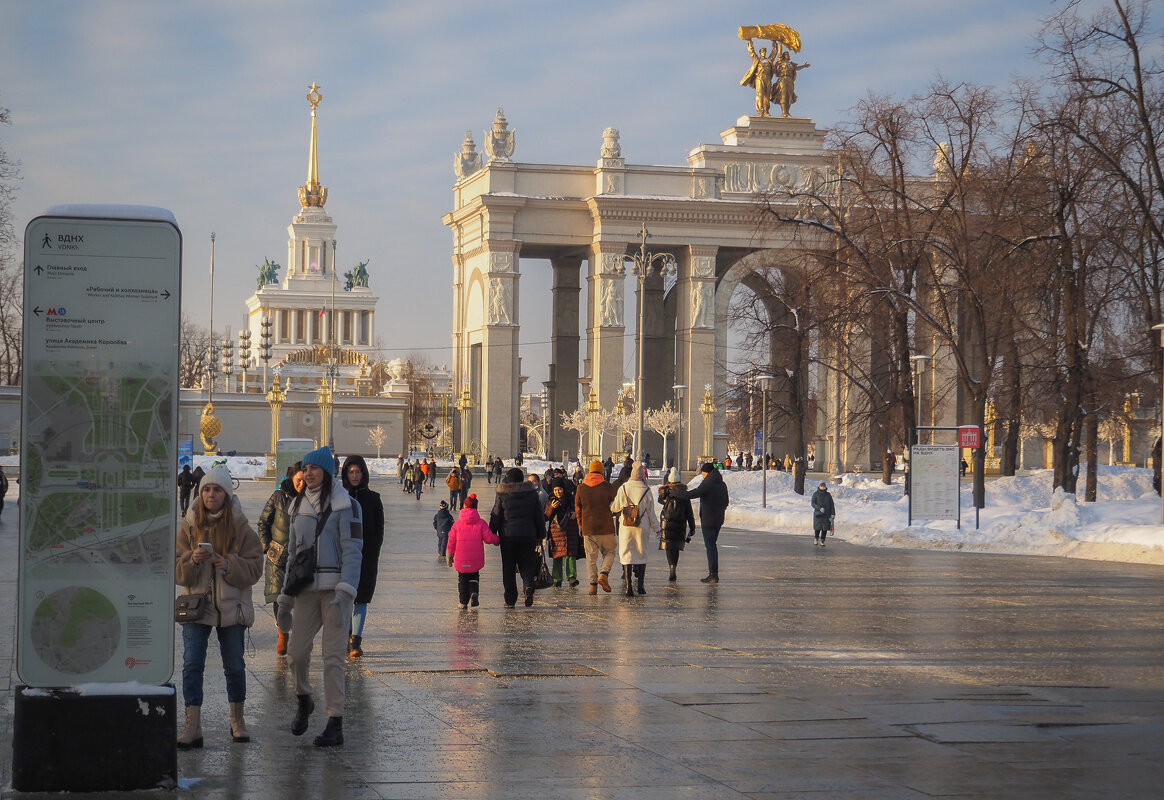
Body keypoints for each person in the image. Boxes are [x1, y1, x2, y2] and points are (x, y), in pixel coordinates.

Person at [276, 446, 363, 748]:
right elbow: (292, 554)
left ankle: (334, 721)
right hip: (306, 590)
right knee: (296, 654)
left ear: (327, 472)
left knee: (333, 658)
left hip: (335, 591)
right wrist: (285, 597)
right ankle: (304, 699)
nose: (308, 473)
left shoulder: (347, 505)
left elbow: (353, 551)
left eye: (314, 469)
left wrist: (347, 589)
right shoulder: (297, 506)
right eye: (306, 469)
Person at [175, 465, 263, 749]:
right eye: (207, 490)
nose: (211, 495)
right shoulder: (188, 525)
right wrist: (192, 560)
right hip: (196, 606)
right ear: (200, 494)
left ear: (226, 494)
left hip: (231, 607)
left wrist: (229, 565)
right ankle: (193, 725)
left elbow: (255, 567)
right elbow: (175, 568)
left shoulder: (241, 527)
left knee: (235, 666)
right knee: (192, 665)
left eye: (217, 490)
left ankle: (237, 721)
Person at [341, 454, 384, 660]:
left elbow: (379, 530)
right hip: (344, 556)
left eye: (358, 471)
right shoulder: (339, 497)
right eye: (351, 472)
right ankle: (346, 638)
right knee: (345, 598)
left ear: (364, 473)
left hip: (366, 557)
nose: (355, 475)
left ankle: (356, 641)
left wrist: (373, 550)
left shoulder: (374, 499)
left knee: (361, 599)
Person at [257, 462, 303, 656]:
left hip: (302, 557)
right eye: (298, 480)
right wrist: (266, 546)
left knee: (301, 599)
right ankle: (282, 633)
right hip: (279, 556)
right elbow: (263, 522)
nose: (301, 484)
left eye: (304, 480)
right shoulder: (278, 497)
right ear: (292, 478)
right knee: (278, 597)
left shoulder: (312, 499)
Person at [488, 467, 546, 607]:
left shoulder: (502, 493)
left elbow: (496, 514)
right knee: (527, 564)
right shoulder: (532, 493)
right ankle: (528, 586)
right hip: (528, 535)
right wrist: (541, 534)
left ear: (508, 479)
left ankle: (510, 600)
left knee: (508, 568)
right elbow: (538, 516)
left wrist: (491, 531)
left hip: (508, 536)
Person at [611, 461, 658, 596]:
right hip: (642, 526)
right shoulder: (647, 490)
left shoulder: (624, 488)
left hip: (626, 526)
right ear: (642, 475)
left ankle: (628, 587)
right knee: (641, 553)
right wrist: (657, 529)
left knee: (626, 554)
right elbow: (651, 513)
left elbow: (615, 507)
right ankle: (641, 586)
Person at [446, 493, 499, 608]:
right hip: (476, 558)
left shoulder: (457, 524)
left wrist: (449, 555)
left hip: (461, 558)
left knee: (463, 579)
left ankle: (463, 602)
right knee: (474, 576)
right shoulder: (481, 523)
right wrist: (498, 540)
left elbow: (451, 541)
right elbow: (489, 538)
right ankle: (474, 593)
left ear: (464, 506)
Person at [575, 460, 618, 595]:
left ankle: (593, 585)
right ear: (601, 471)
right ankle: (603, 574)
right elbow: (617, 503)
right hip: (606, 527)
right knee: (610, 552)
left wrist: (581, 524)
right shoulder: (608, 487)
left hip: (589, 528)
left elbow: (578, 509)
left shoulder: (581, 488)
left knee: (591, 558)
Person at [686, 462, 729, 584]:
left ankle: (713, 574)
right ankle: (713, 573)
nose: (702, 475)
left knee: (710, 547)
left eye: (703, 473)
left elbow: (694, 493)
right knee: (712, 545)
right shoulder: (722, 484)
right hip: (718, 520)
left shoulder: (708, 483)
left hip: (708, 520)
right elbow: (726, 501)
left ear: (707, 472)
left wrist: (677, 494)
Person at [657, 467, 696, 581]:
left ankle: (671, 567)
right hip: (680, 524)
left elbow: (660, 500)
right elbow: (689, 512)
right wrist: (692, 527)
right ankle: (675, 567)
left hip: (667, 523)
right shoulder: (684, 494)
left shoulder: (666, 493)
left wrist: (666, 489)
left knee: (669, 547)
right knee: (676, 547)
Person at [544, 477, 581, 587]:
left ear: (563, 489)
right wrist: (551, 508)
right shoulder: (550, 500)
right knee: (557, 556)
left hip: (570, 531)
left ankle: (571, 577)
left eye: (559, 489)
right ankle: (557, 578)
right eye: (555, 490)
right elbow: (546, 516)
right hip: (556, 532)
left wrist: (575, 514)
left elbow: (579, 510)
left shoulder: (571, 499)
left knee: (571, 555)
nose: (557, 492)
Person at [740, 39, 778, 116]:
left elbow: (774, 53)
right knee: (760, 94)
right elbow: (752, 52)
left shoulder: (769, 60)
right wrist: (750, 43)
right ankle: (760, 110)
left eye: (764, 51)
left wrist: (774, 42)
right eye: (762, 51)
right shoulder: (757, 59)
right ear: (760, 52)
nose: (763, 52)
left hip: (767, 78)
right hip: (759, 78)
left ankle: (766, 111)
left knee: (767, 95)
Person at [773, 50, 810, 118]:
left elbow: (797, 68)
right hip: (782, 79)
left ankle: (787, 111)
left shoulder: (791, 64)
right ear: (784, 56)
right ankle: (784, 112)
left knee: (789, 96)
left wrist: (804, 66)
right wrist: (776, 66)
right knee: (783, 94)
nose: (788, 56)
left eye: (788, 54)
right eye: (787, 54)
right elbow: (775, 71)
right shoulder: (780, 63)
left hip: (789, 80)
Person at [811, 480, 835, 546]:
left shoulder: (828, 495)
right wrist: (819, 508)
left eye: (824, 485)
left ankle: (822, 540)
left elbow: (832, 504)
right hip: (818, 514)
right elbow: (813, 503)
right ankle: (816, 538)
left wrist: (833, 513)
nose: (823, 486)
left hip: (826, 514)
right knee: (817, 528)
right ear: (819, 486)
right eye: (821, 485)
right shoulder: (815, 494)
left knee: (825, 528)